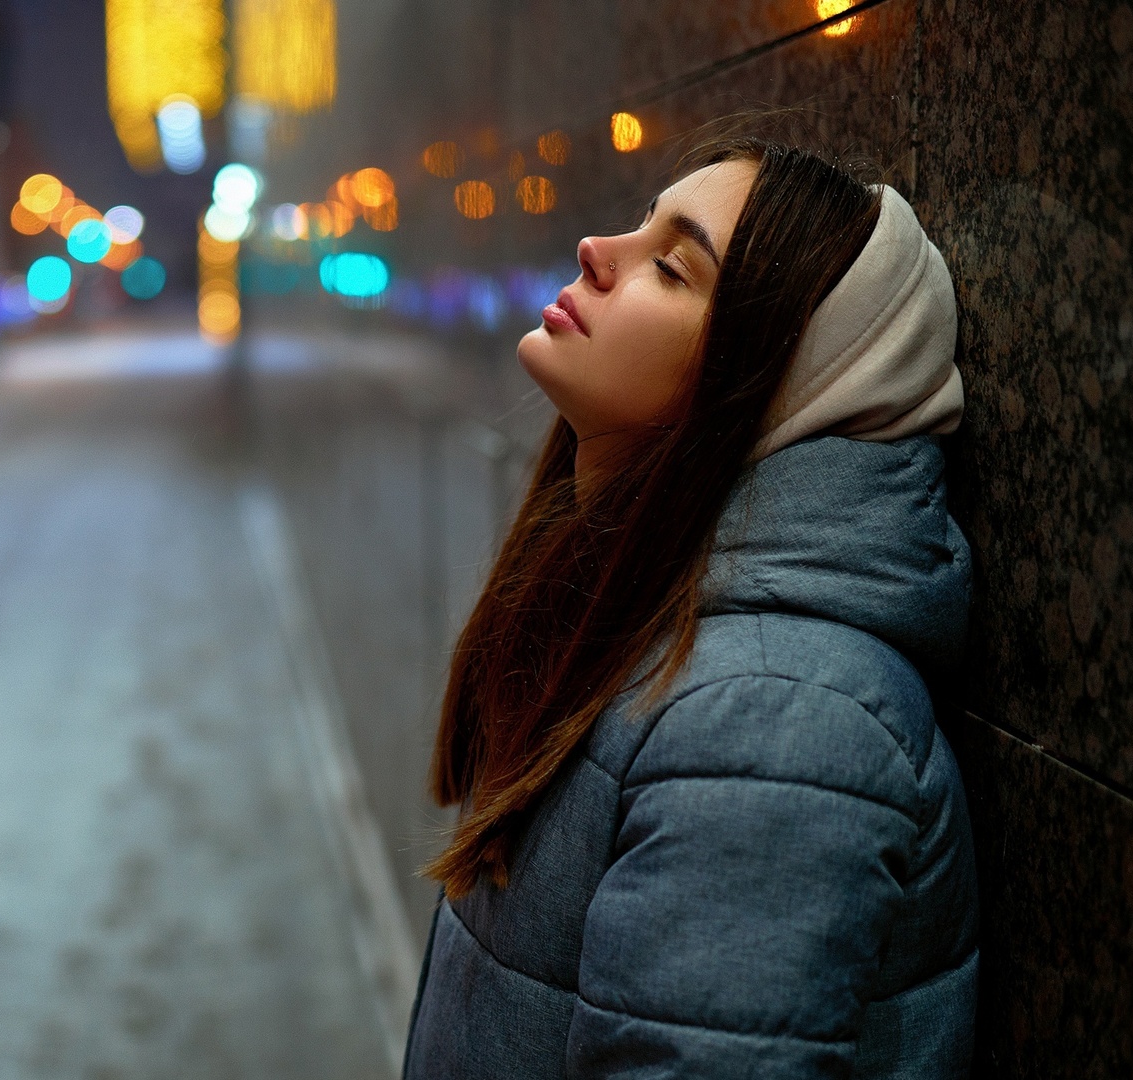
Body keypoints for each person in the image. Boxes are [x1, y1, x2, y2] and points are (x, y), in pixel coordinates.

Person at [402, 136, 977, 1078]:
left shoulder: (773, 726)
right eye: (641, 228)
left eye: (671, 265)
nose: (596, 247)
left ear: (779, 381)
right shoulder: (655, 628)